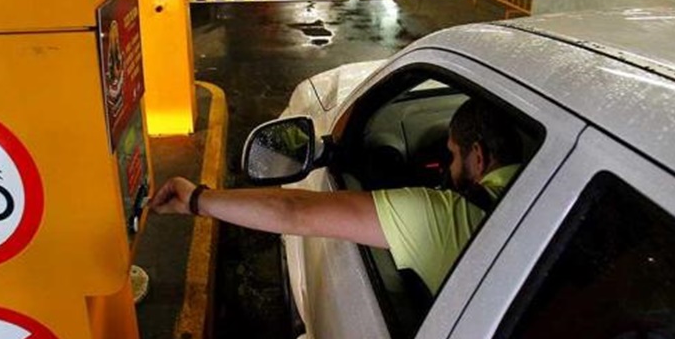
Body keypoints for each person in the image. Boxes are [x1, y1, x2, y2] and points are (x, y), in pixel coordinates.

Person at [150, 98, 523, 294]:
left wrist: (195, 198)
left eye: (454, 155)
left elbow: (292, 211)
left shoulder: (446, 217)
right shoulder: (550, 197)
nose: (449, 166)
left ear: (478, 156)